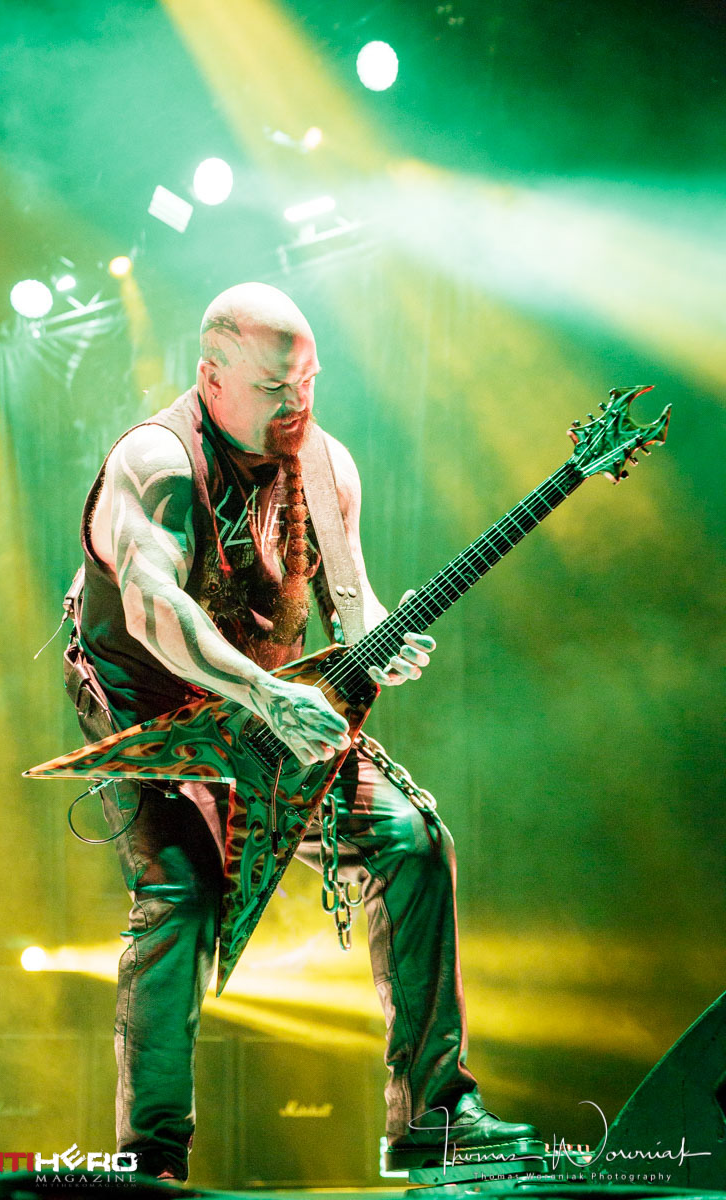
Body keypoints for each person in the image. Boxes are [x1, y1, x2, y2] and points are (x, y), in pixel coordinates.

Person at [68, 282, 540, 1181]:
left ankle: (434, 1116)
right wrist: (258, 690)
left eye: (310, 381)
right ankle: (150, 1157)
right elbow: (154, 607)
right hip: (149, 712)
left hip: (275, 709)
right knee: (181, 894)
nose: (298, 404)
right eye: (275, 388)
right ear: (212, 377)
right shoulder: (157, 461)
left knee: (412, 841)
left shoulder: (326, 467)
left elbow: (353, 609)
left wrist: (382, 646)